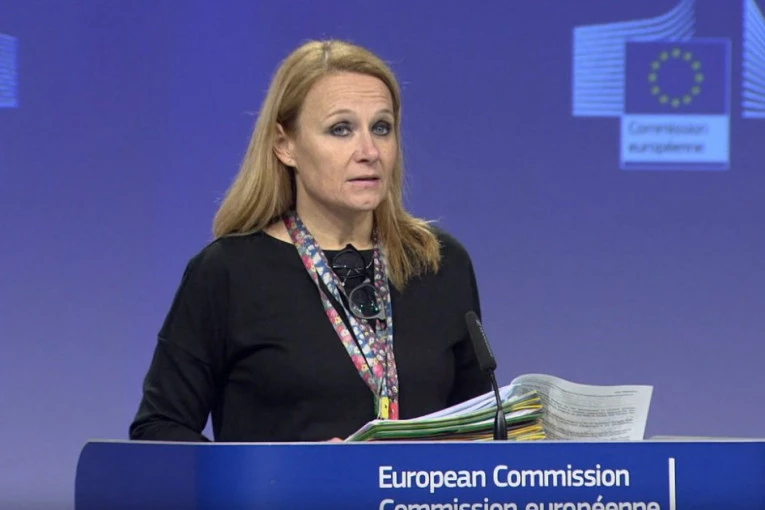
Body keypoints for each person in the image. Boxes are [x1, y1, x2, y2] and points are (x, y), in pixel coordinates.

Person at [128, 39, 490, 443]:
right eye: (341, 129)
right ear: (285, 145)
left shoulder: (439, 263)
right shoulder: (227, 273)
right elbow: (158, 429)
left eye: (381, 128)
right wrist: (289, 469)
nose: (369, 151)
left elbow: (482, 430)